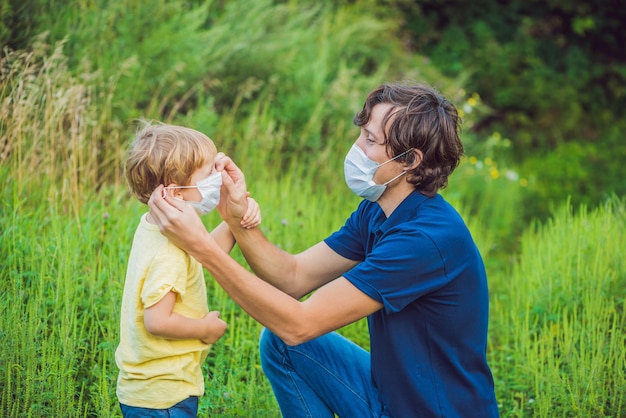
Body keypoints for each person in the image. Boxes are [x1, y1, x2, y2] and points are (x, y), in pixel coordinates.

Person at [148, 82, 499, 417]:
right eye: (361, 132)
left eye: (370, 140)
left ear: (409, 161)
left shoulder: (425, 240)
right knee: (281, 345)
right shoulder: (379, 209)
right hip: (392, 394)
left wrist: (204, 249)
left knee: (289, 336)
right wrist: (236, 219)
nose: (356, 147)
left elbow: (299, 324)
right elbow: (293, 277)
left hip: (429, 412)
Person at [115, 121, 261, 417]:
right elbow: (157, 320)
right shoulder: (168, 253)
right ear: (176, 192)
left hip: (155, 391)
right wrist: (205, 330)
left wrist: (237, 218)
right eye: (208, 174)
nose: (216, 179)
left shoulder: (157, 229)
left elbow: (204, 254)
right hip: (162, 395)